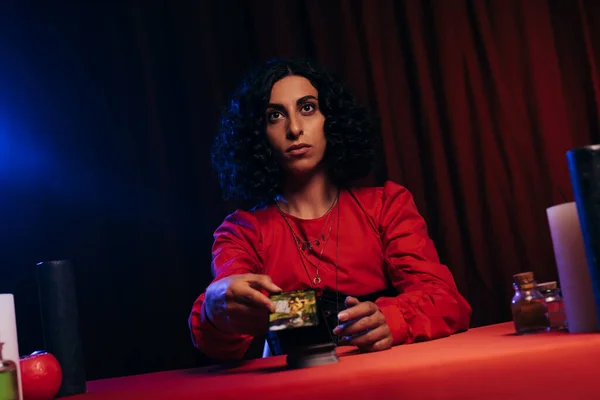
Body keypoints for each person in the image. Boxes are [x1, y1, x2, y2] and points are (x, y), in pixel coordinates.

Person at [189, 58, 471, 361]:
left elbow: (446, 302)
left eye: (307, 108)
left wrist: (392, 319)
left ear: (332, 119)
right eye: (275, 116)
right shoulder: (242, 232)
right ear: (258, 135)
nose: (294, 129)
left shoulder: (386, 205)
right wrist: (215, 310)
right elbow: (224, 336)